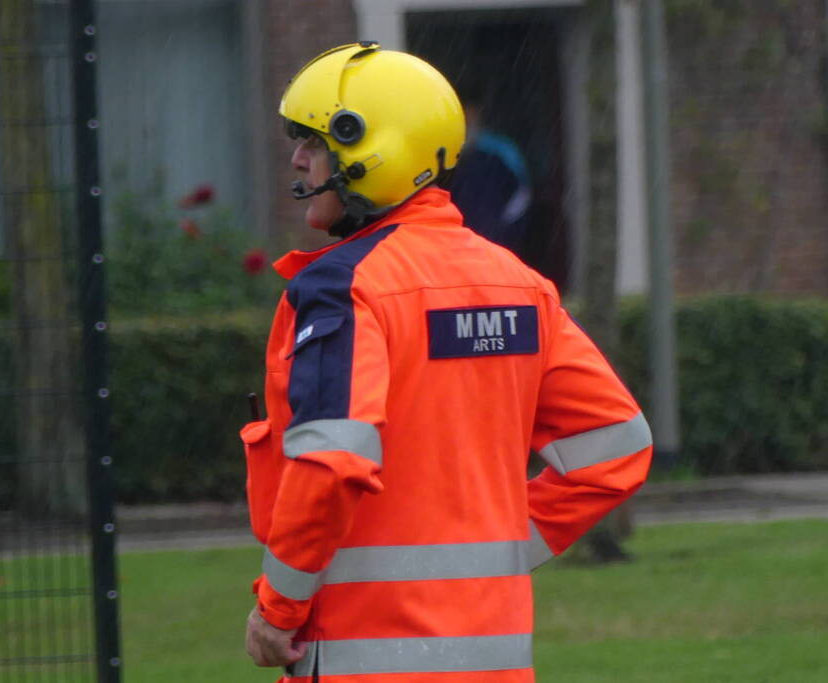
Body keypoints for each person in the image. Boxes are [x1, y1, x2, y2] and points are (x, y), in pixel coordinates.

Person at [241, 42, 652, 682]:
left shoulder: (342, 289)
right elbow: (616, 449)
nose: (296, 158)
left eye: (314, 142)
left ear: (369, 154)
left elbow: (329, 462)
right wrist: (501, 553)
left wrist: (277, 608)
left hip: (360, 658)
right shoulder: (517, 283)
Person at [447, 96, 533, 256]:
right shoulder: (448, 153)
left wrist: (503, 229)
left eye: (471, 117)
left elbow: (521, 196)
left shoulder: (501, 151)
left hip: (497, 241)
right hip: (458, 244)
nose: (468, 122)